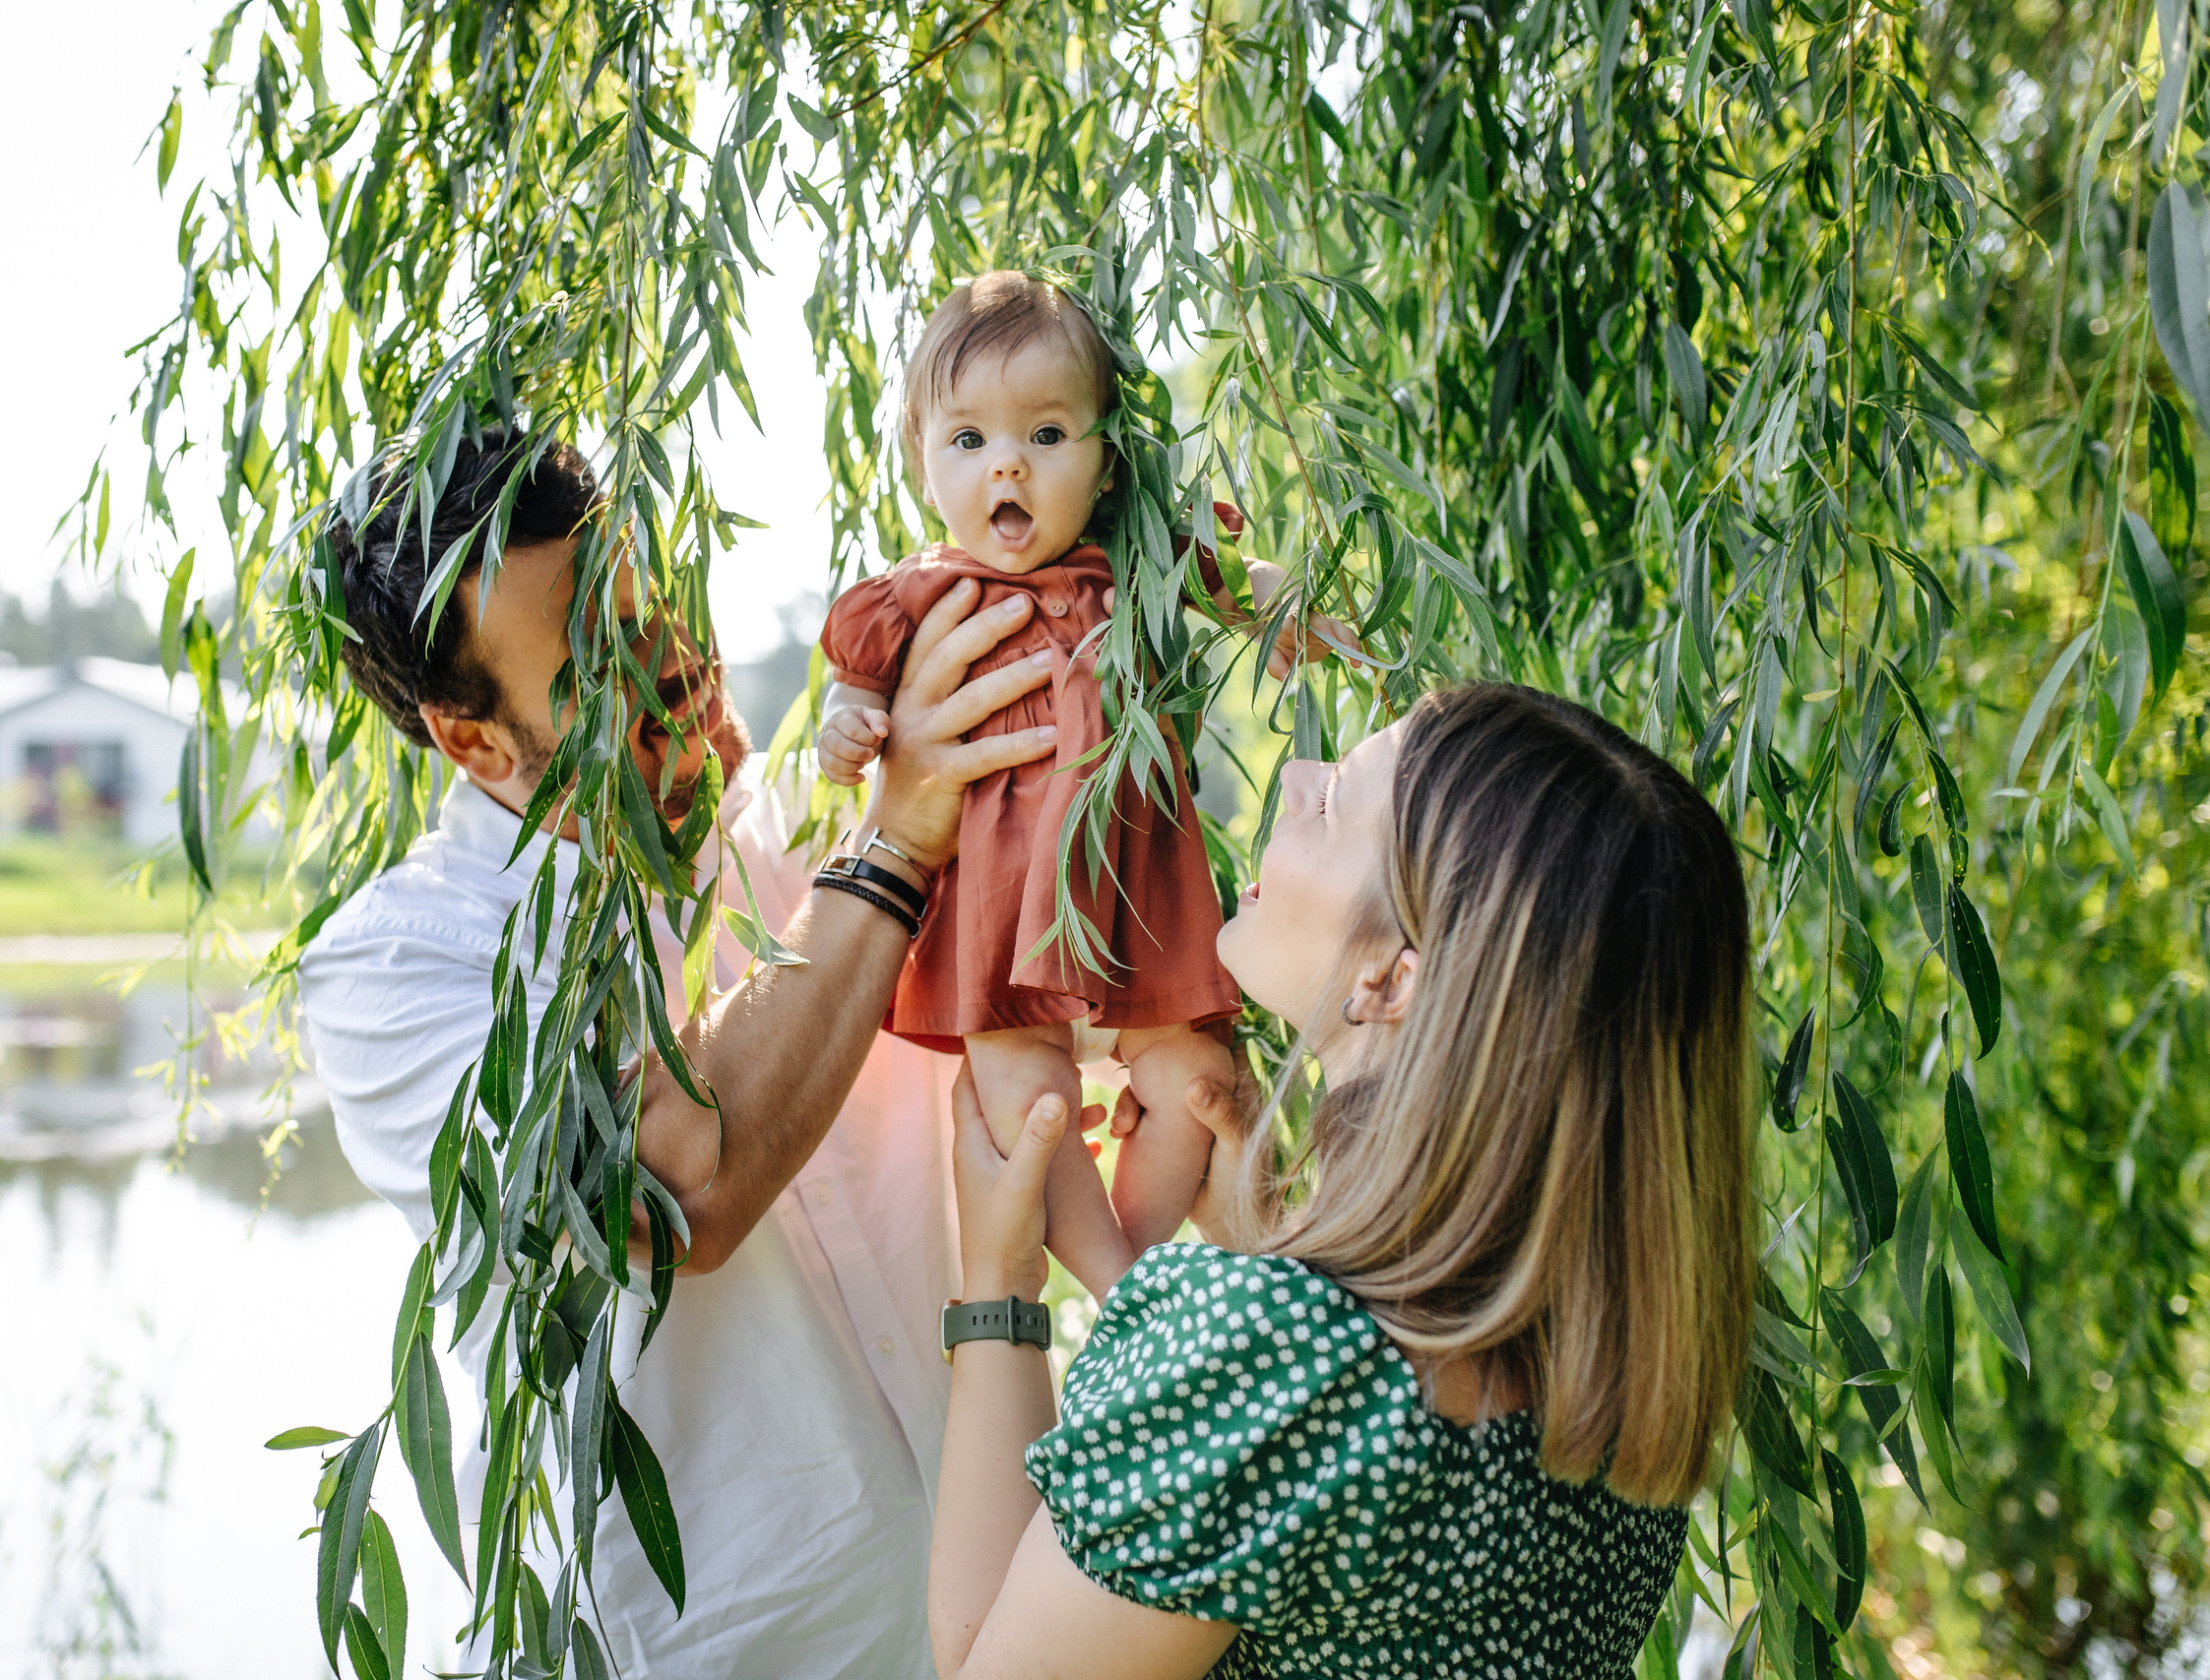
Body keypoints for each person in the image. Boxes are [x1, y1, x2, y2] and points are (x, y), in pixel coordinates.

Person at [296, 430, 1069, 1676]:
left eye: (659, 611)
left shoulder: (807, 824)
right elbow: (682, 1187)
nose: (681, 674)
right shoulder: (400, 971)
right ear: (473, 741)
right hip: (747, 1646)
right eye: (604, 663)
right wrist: (893, 849)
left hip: (1017, 1594)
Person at [928, 683, 1755, 1680]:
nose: (1294, 777)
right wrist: (1254, 1250)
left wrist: (999, 1282)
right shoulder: (1615, 1385)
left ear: (1393, 978)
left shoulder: (1281, 1360)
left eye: (1336, 799)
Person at [815, 271, 1345, 1275]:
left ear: (1105, 463)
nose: (1005, 466)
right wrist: (848, 725)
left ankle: (1142, 1265)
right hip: (1001, 894)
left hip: (1136, 873)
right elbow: (857, 683)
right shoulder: (914, 597)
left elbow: (1228, 574)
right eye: (968, 441)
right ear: (922, 464)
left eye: (1046, 436)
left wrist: (1279, 602)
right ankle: (1112, 1288)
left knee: (1195, 1072)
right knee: (1031, 1094)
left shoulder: (1132, 559)